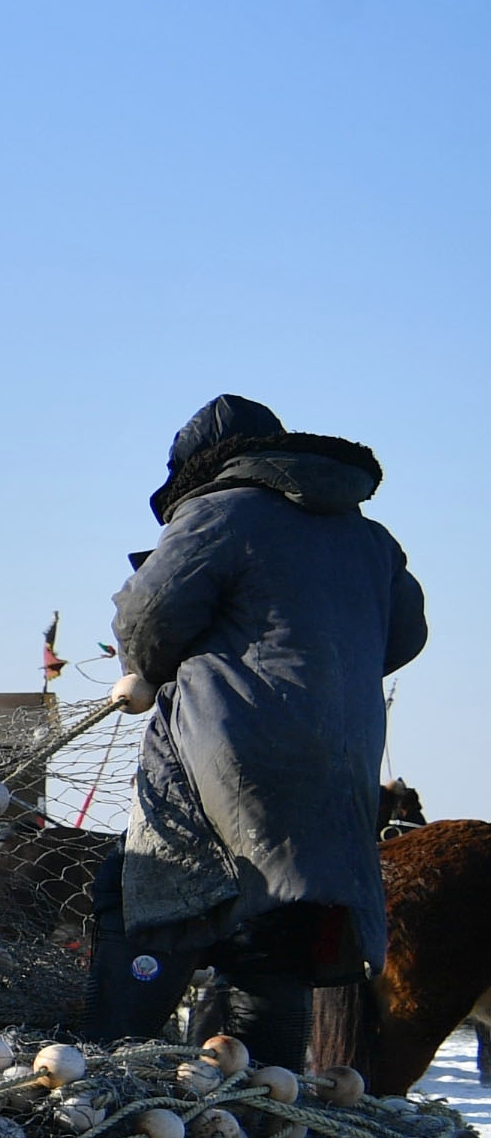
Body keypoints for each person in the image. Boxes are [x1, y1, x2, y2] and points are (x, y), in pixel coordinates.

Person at [85, 395, 429, 1072]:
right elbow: (406, 635)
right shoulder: (371, 541)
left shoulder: (218, 511)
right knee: (282, 930)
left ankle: (106, 1078)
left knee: (143, 897)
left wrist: (152, 669)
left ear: (197, 465)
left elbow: (146, 621)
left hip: (228, 754)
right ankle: (263, 1111)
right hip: (338, 771)